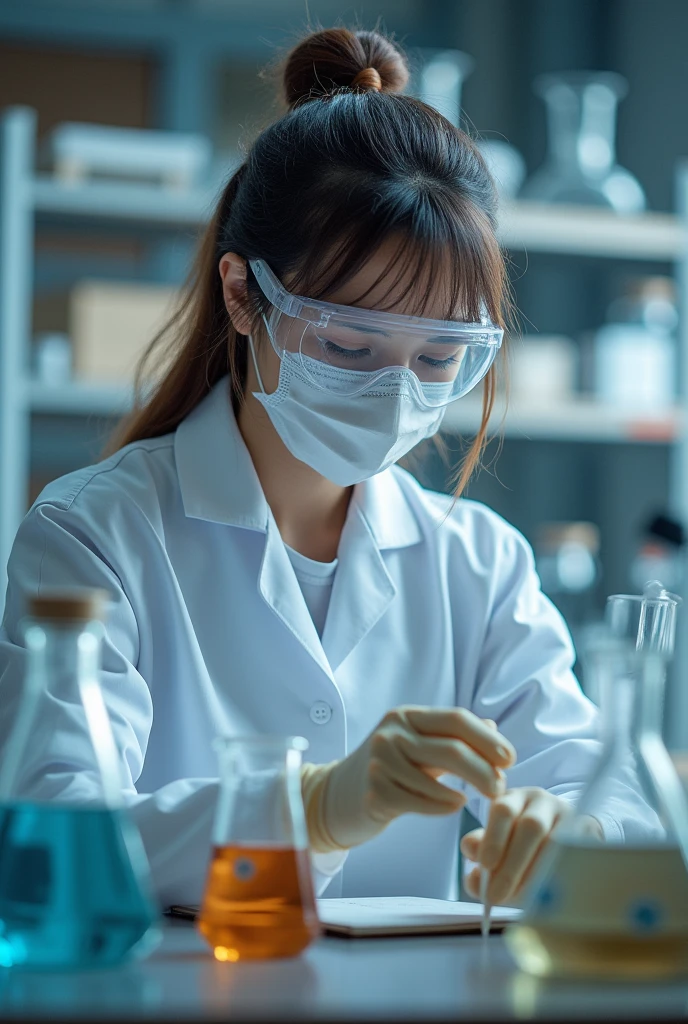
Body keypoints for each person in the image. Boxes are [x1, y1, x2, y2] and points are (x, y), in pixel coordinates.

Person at [0, 27, 654, 910]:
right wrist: (316, 806)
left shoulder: (480, 563)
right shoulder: (93, 536)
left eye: (438, 360)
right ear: (244, 294)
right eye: (348, 344)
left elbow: (606, 782)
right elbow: (57, 831)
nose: (394, 393)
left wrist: (572, 827)